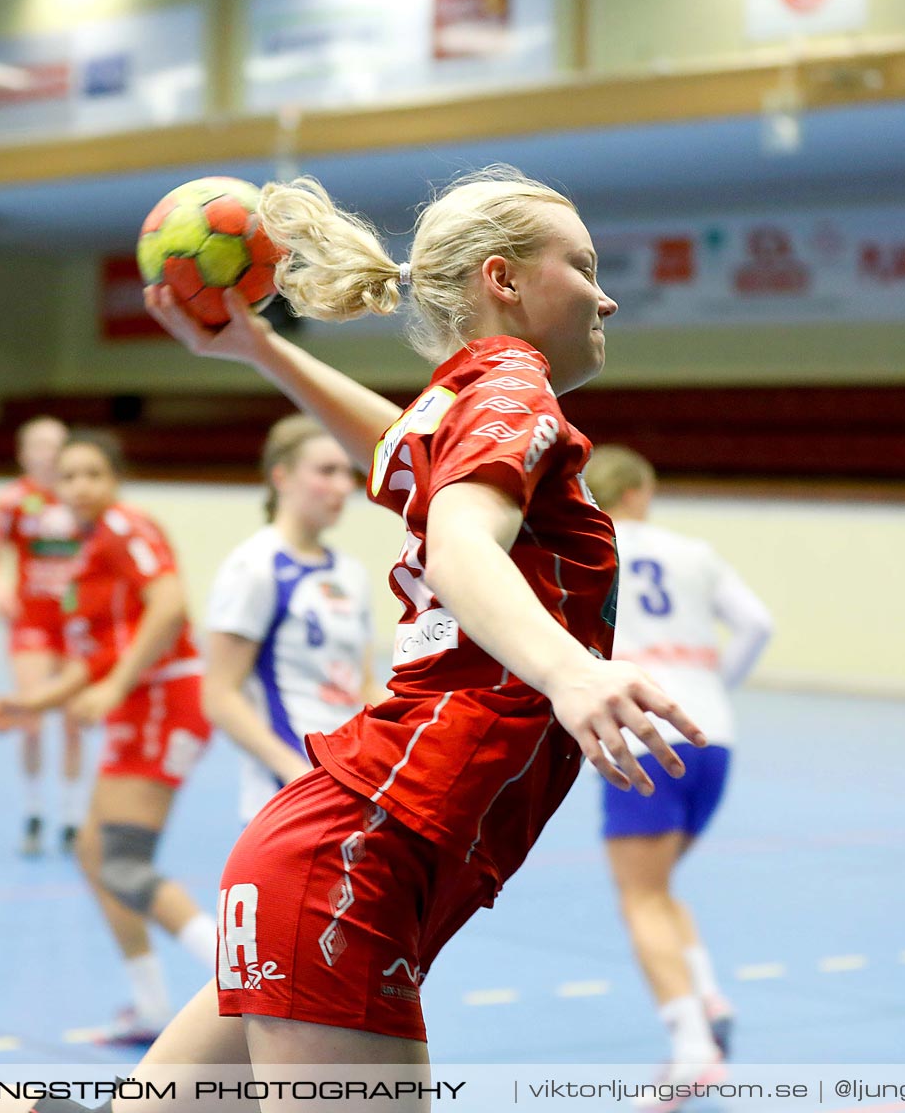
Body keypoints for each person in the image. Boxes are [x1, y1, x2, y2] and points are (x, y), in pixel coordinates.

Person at [124, 166, 708, 1106]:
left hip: (323, 856)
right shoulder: (515, 386)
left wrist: (261, 348)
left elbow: (404, 451)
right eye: (583, 265)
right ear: (502, 280)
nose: (606, 294)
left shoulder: (467, 394)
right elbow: (458, 539)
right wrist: (569, 671)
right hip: (354, 860)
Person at [0, 431, 218, 1045]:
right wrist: (30, 702)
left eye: (93, 474)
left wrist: (115, 689)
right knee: (94, 853)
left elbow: (169, 608)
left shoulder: (127, 527)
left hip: (164, 701)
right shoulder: (87, 553)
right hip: (139, 705)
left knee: (121, 860)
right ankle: (148, 1006)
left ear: (115, 478)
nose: (81, 486)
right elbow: (99, 655)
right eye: (69, 476)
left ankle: (247, 975)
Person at [584, 444, 774, 1093]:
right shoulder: (693, 551)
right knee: (660, 889)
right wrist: (714, 685)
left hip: (644, 734)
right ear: (639, 490)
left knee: (638, 896)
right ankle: (710, 995)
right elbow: (757, 624)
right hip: (712, 736)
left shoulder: (590, 546)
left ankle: (691, 1044)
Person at [203, 414, 383, 822]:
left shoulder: (350, 574)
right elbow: (220, 695)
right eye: (326, 471)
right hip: (290, 793)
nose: (343, 486)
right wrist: (296, 773)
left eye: (347, 472)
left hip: (353, 781)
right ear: (281, 477)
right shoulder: (254, 567)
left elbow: (364, 684)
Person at [0, 415, 86, 856]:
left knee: (73, 722)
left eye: (57, 444)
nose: (49, 452)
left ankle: (69, 817)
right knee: (31, 719)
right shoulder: (13, 501)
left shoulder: (80, 499)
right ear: (25, 453)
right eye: (40, 445)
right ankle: (33, 812)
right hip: (32, 623)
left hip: (76, 624)